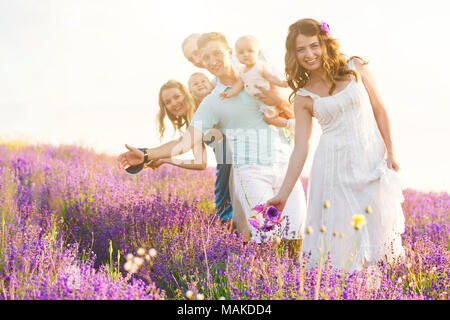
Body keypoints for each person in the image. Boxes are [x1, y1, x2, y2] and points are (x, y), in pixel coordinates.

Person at [118, 32, 307, 257]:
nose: (213, 61)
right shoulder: (212, 102)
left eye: (217, 53)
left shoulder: (258, 74)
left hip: (287, 167)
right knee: (265, 243)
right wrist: (147, 154)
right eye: (206, 58)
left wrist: (274, 100)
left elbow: (294, 112)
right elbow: (185, 140)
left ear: (230, 52)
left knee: (295, 241)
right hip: (252, 173)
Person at [266, 18, 405, 272]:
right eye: (301, 50)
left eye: (313, 45)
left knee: (378, 232)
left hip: (370, 162)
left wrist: (392, 151)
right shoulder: (303, 96)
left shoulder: (356, 67)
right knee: (341, 239)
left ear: (325, 43)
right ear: (293, 55)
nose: (309, 54)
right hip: (332, 172)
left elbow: (380, 110)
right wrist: (283, 194)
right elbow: (301, 147)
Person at [220, 35, 294, 131]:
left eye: (250, 51)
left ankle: (291, 124)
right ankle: (289, 123)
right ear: (237, 57)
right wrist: (231, 93)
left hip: (271, 96)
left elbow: (271, 77)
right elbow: (239, 84)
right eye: (241, 52)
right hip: (261, 101)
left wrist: (282, 83)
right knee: (269, 118)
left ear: (258, 53)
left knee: (270, 118)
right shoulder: (242, 70)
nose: (245, 54)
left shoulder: (260, 67)